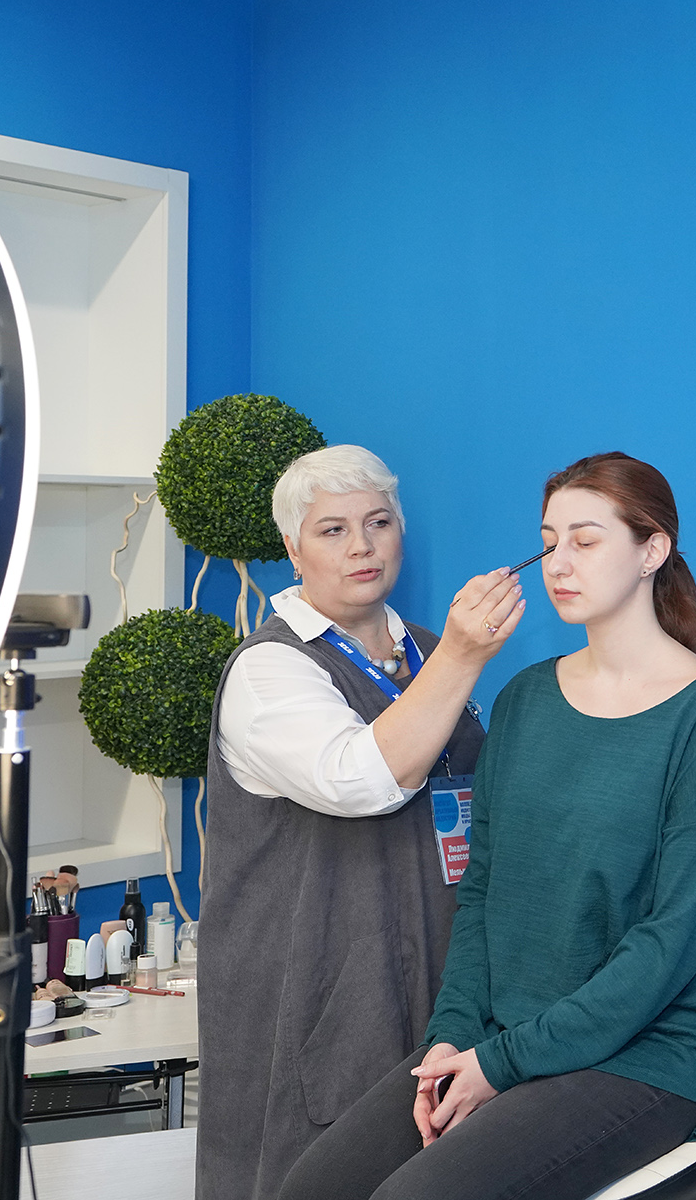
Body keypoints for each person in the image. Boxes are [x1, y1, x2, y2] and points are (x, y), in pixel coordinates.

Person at [279, 452, 696, 1200]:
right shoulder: (526, 697)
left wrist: (499, 1065)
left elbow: (670, 943)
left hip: (648, 1052)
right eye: (548, 542)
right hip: (506, 1035)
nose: (558, 563)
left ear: (652, 551)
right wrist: (451, 1037)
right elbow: (482, 893)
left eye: (586, 540)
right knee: (311, 1189)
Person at [199, 446, 526, 1200]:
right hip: (321, 994)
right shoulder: (269, 670)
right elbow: (362, 781)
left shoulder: (427, 649)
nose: (362, 546)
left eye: (378, 523)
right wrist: (464, 657)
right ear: (293, 549)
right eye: (333, 530)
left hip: (441, 978)